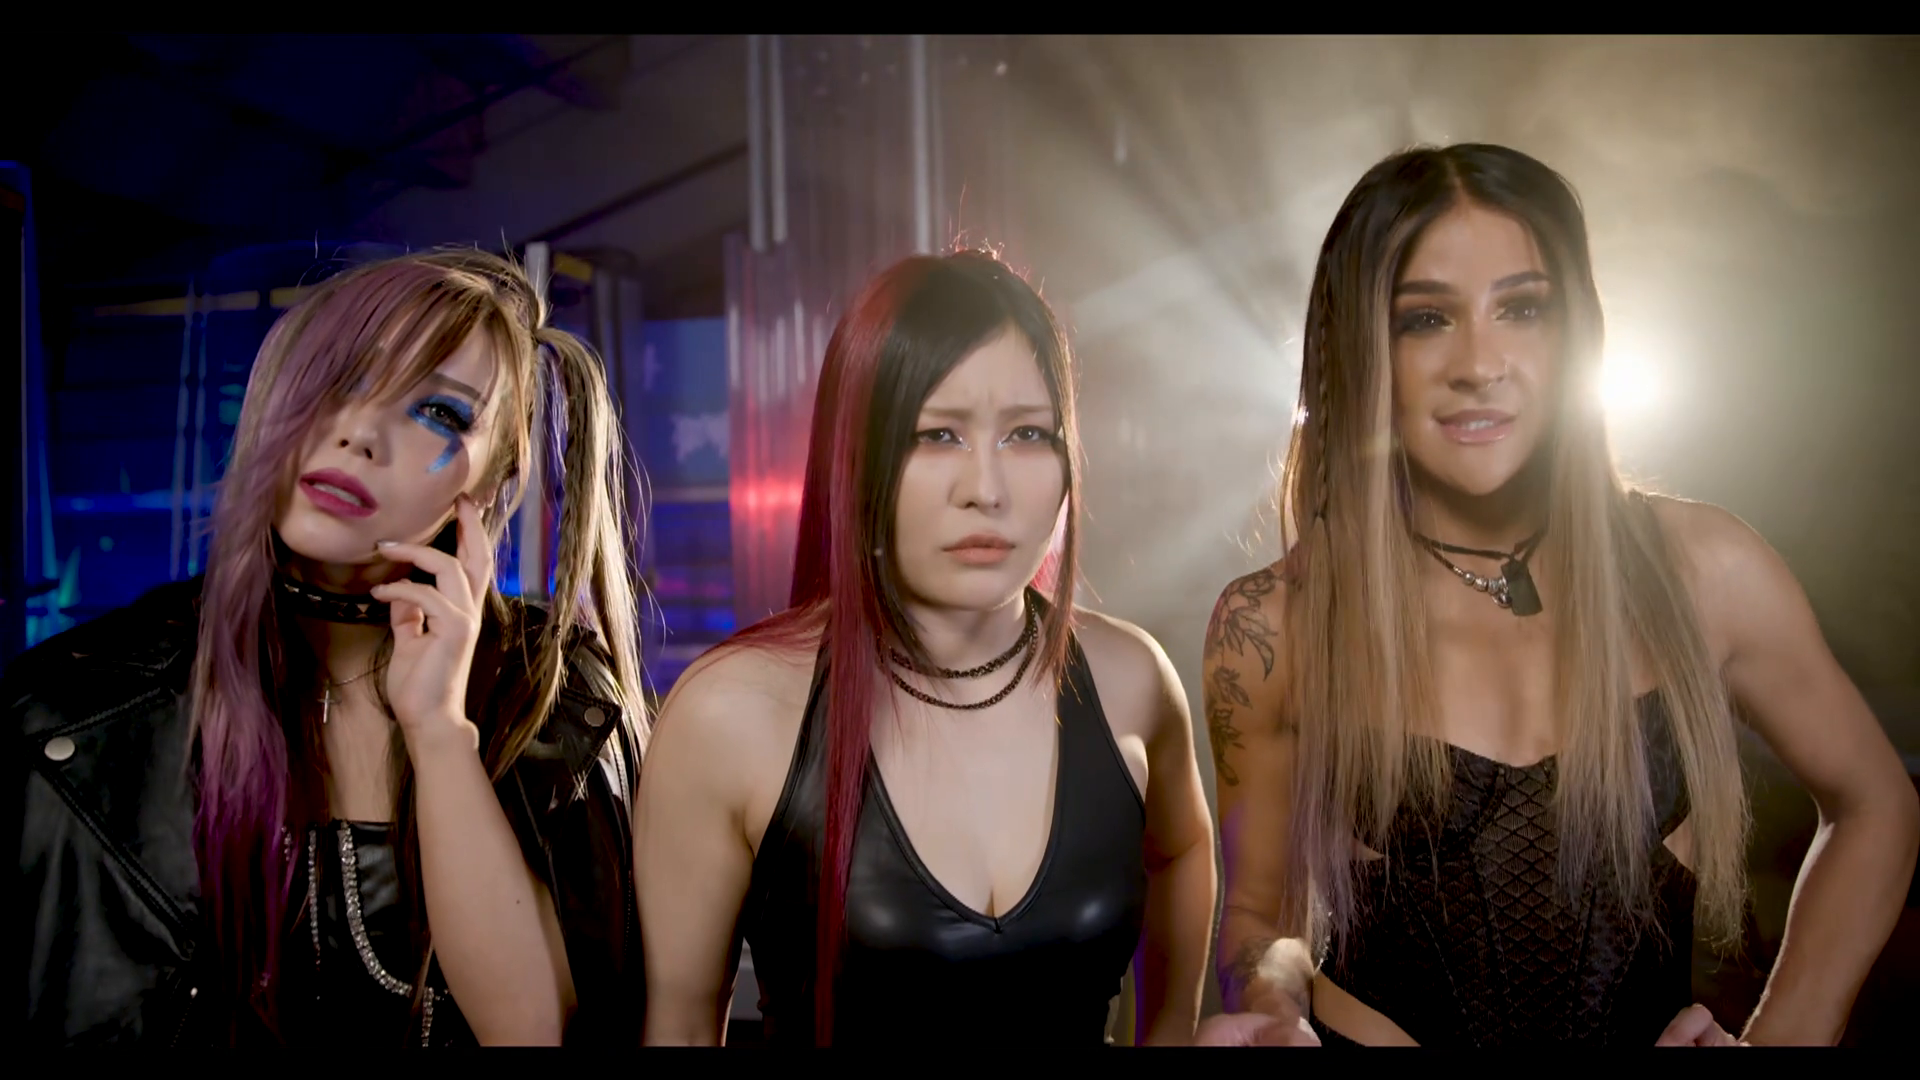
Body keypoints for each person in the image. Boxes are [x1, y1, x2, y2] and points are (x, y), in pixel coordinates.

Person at [1199, 143, 1920, 1047]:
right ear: (1358, 349)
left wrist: (1789, 1035)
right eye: (1426, 319)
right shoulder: (1273, 623)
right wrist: (1271, 1003)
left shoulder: (1703, 570)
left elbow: (1875, 803)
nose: (1480, 363)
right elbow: (1258, 916)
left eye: (1523, 308)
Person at [15, 249, 648, 1047]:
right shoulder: (80, 711)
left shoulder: (555, 700)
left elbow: (531, 1032)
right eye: (337, 380)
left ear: (490, 486)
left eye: (439, 413)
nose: (360, 434)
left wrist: (438, 732)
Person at [635, 249, 1217, 1046]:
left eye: (1027, 434)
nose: (987, 489)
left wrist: (1173, 1030)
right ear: (858, 456)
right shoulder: (731, 713)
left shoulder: (1130, 680)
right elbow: (679, 1026)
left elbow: (1181, 850)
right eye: (938, 434)